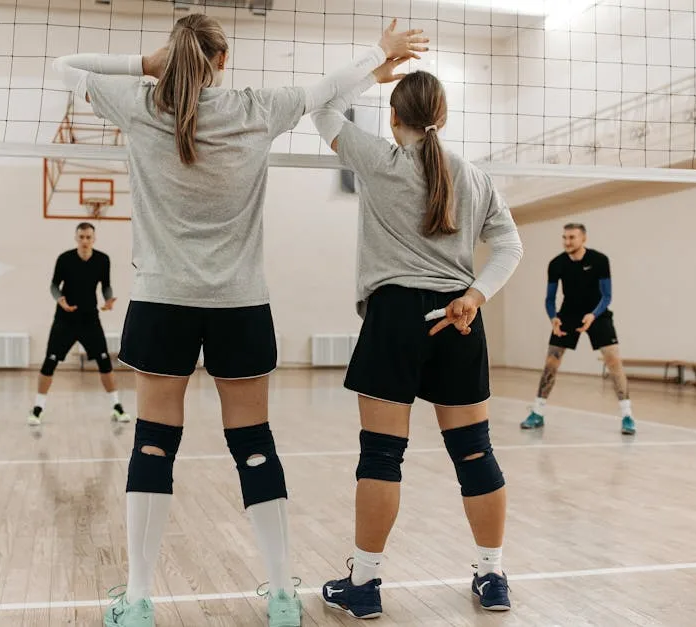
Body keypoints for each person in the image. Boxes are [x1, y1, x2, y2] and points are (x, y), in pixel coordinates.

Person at [53, 14, 427, 627]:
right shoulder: (258, 107)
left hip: (162, 300)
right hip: (240, 304)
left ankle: (140, 599)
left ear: (171, 60)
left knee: (153, 442)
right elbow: (324, 91)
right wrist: (375, 57)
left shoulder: (141, 103)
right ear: (224, 61)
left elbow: (64, 69)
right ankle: (282, 595)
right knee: (254, 444)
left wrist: (145, 66)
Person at [310, 67, 524, 617]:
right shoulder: (474, 176)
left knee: (381, 457)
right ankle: (493, 575)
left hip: (395, 318)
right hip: (458, 318)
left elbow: (321, 107)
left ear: (394, 116)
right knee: (476, 455)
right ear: (444, 117)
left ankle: (364, 585)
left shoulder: (380, 162)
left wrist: (372, 70)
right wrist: (475, 296)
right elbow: (509, 246)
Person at [520, 223, 635, 435]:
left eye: (572, 237)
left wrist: (593, 314)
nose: (567, 241)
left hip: (597, 314)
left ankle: (627, 416)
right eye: (564, 237)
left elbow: (607, 296)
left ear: (584, 239)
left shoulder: (600, 260)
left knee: (613, 361)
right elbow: (549, 299)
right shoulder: (556, 264)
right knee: (551, 363)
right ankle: (537, 412)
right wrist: (553, 318)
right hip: (568, 315)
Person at [29, 222, 131, 426]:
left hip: (89, 319)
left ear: (94, 239)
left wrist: (108, 300)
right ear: (76, 238)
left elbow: (106, 286)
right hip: (64, 320)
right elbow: (54, 286)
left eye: (88, 237)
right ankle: (38, 408)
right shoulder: (65, 259)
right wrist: (60, 300)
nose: (85, 241)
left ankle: (117, 407)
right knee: (50, 362)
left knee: (104, 362)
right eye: (81, 237)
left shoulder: (103, 260)